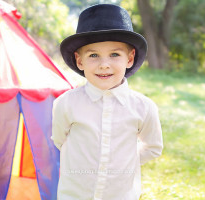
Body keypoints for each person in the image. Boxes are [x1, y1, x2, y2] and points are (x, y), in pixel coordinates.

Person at [51, 4, 163, 200]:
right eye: (93, 55)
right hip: (75, 194)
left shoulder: (143, 107)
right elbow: (60, 141)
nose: (104, 64)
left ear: (129, 59)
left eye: (115, 54)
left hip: (121, 194)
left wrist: (123, 161)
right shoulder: (66, 104)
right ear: (79, 61)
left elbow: (153, 147)